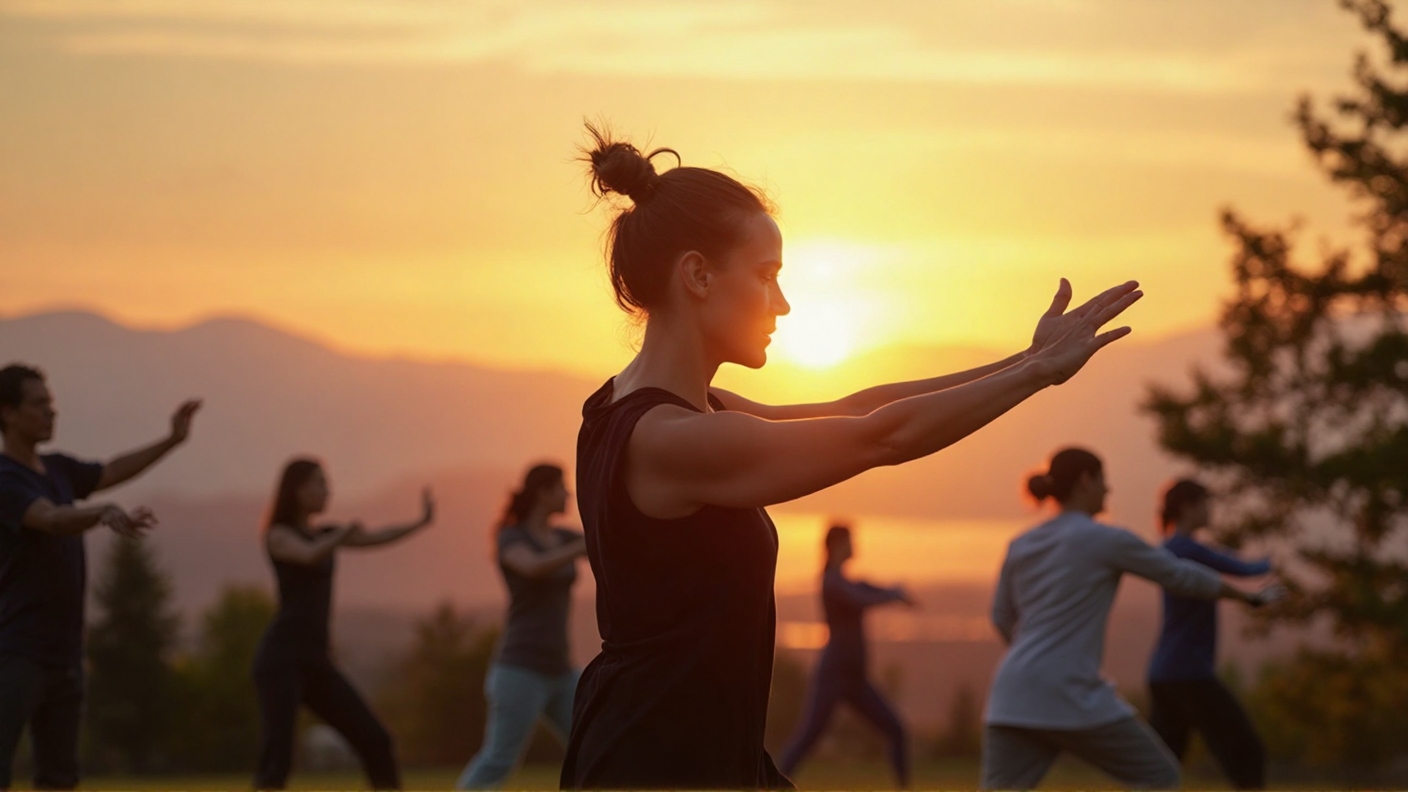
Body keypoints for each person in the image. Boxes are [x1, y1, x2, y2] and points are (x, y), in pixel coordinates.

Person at [562, 123, 1145, 790]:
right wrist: (1038, 376)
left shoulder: (642, 408)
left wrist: (1029, 357)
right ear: (697, 274)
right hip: (662, 762)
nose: (782, 302)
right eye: (766, 276)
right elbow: (881, 436)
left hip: (685, 748)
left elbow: (855, 409)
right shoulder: (673, 440)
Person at [981, 448, 1278, 791]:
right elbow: (1180, 575)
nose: (1109, 490)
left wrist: (1032, 660)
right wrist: (1246, 596)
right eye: (1104, 480)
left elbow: (1000, 616)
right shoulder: (1107, 539)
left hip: (1011, 696)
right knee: (1159, 776)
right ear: (1086, 481)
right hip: (1071, 691)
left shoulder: (1021, 543)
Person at [0, 363, 200, 791]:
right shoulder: (5, 479)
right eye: (39, 405)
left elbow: (110, 471)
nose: (51, 413)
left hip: (66, 654)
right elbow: (50, 519)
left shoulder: (57, 469)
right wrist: (102, 512)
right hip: (16, 651)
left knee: (59, 778)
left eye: (51, 404)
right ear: (7, 413)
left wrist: (171, 441)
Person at [252, 458, 434, 791]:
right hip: (280, 661)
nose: (328, 490)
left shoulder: (326, 534)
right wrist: (342, 536)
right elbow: (307, 555)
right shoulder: (278, 535)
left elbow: (378, 536)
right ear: (298, 490)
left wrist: (419, 523)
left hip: (317, 661)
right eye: (320, 483)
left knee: (376, 741)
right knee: (277, 762)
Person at [457, 463, 587, 789]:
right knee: (499, 759)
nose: (568, 493)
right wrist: (579, 548)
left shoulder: (563, 536)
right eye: (562, 487)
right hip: (519, 670)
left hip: (561, 669)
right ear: (543, 493)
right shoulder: (512, 537)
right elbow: (531, 567)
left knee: (594, 746)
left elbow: (608, 539)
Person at [1147, 479, 1275, 790]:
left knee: (1163, 765)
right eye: (1206, 503)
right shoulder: (1188, 549)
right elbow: (1244, 569)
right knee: (1247, 752)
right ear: (1188, 508)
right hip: (1188, 673)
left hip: (1162, 673)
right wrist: (1273, 562)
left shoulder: (1170, 548)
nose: (1211, 509)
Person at [778, 523, 913, 787]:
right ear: (839, 544)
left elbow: (869, 589)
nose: (856, 545)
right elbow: (861, 598)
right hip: (833, 676)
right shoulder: (831, 583)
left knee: (896, 730)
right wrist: (894, 595)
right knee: (808, 737)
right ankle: (772, 783)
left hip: (855, 679)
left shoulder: (847, 582)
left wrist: (895, 592)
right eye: (851, 540)